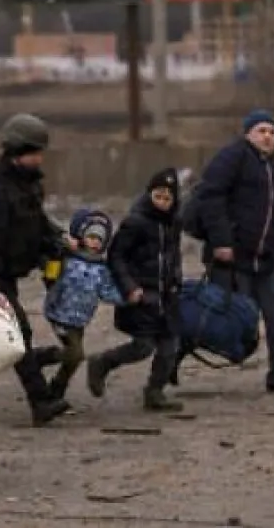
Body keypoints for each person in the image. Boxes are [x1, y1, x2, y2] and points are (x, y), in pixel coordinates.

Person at [0, 113, 71, 426]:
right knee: (17, 330)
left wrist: (59, 241)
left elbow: (37, 223)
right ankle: (40, 400)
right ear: (16, 150)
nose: (39, 158)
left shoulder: (30, 185)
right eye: (33, 151)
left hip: (9, 270)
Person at [190, 110, 274, 394]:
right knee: (225, 320)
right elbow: (210, 197)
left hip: (266, 261)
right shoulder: (232, 157)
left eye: (272, 131)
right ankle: (171, 357)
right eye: (261, 130)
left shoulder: (272, 169)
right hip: (233, 259)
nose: (268, 136)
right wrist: (221, 242)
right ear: (247, 134)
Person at [86, 169, 186, 411]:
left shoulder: (173, 223)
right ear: (149, 194)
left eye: (167, 198)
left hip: (167, 296)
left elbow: (172, 256)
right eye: (158, 196)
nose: (162, 202)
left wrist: (176, 281)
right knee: (143, 346)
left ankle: (155, 392)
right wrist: (130, 287)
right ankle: (102, 362)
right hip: (142, 296)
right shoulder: (136, 222)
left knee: (170, 346)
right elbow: (117, 256)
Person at [40, 208, 122, 402]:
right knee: (76, 354)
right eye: (91, 236)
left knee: (72, 358)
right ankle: (44, 365)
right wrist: (56, 259)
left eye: (99, 239)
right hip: (59, 313)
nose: (94, 242)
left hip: (80, 320)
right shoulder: (67, 258)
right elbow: (49, 274)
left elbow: (107, 292)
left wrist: (128, 297)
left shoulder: (102, 268)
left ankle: (54, 387)